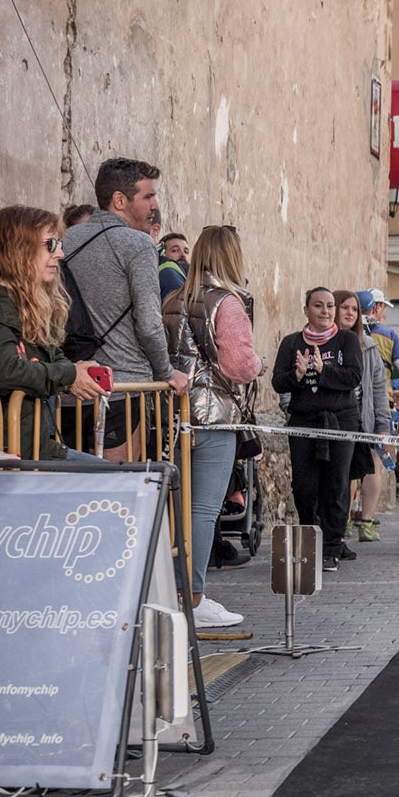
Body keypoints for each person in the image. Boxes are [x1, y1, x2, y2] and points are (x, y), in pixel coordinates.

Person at [0, 206, 109, 459]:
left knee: (114, 480)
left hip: (29, 445)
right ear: (19, 247)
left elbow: (50, 352)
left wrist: (77, 372)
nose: (60, 253)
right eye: (51, 244)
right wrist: (70, 375)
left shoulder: (23, 300)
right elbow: (6, 370)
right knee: (107, 481)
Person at [162, 225, 262, 630]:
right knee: (203, 512)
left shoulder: (171, 299)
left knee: (174, 510)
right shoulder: (228, 302)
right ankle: (194, 598)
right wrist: (259, 365)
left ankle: (169, 592)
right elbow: (239, 365)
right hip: (214, 416)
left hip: (171, 415)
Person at [60, 158, 189, 457]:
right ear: (119, 200)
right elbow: (148, 322)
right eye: (148, 196)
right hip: (122, 389)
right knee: (117, 494)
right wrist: (166, 372)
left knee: (76, 493)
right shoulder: (138, 244)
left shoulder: (66, 239)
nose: (155, 205)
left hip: (71, 389)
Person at [271, 288, 365, 572]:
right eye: (318, 306)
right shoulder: (291, 343)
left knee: (335, 484)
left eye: (329, 306)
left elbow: (354, 376)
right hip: (304, 422)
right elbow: (278, 382)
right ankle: (311, 540)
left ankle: (332, 546)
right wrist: (297, 375)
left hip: (340, 421)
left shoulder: (346, 340)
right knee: (304, 486)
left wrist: (325, 371)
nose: (325, 311)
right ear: (306, 309)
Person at [334, 290, 391, 543]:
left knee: (369, 467)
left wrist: (383, 426)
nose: (349, 313)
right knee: (343, 472)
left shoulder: (369, 346)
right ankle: (342, 519)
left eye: (354, 309)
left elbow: (379, 388)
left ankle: (365, 520)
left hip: (363, 419)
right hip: (335, 420)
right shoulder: (325, 342)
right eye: (344, 307)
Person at [157, 232, 190, 301]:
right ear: (163, 255)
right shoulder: (169, 275)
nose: (183, 255)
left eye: (186, 251)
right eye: (174, 250)